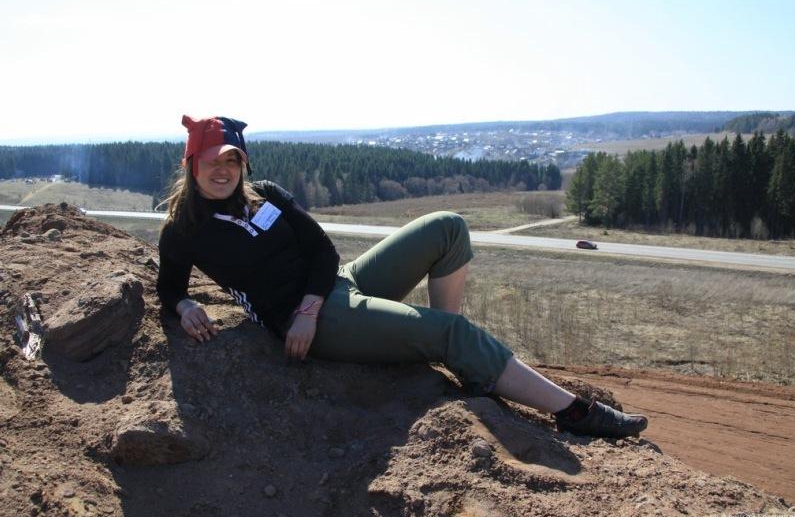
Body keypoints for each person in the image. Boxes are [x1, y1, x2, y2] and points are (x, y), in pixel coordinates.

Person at [156, 115, 649, 439]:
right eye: (212, 161)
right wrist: (185, 304)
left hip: (334, 286)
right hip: (314, 323)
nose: (222, 170)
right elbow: (170, 287)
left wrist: (313, 300)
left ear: (243, 163)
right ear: (192, 164)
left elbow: (322, 249)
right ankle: (575, 413)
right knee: (452, 332)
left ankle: (456, 358)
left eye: (232, 160)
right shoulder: (185, 229)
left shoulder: (265, 193)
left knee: (447, 227)